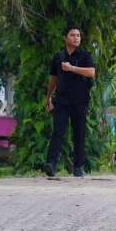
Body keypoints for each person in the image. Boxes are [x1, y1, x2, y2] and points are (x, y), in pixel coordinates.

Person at [44, 25, 95, 178]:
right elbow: (53, 78)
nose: (76, 38)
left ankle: (78, 166)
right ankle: (51, 164)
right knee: (58, 131)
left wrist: (72, 68)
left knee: (79, 133)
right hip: (61, 101)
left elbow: (91, 72)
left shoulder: (85, 55)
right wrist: (48, 97)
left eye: (78, 35)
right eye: (72, 35)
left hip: (80, 101)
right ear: (65, 38)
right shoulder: (58, 57)